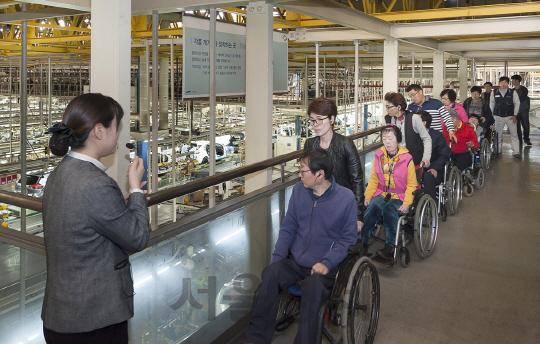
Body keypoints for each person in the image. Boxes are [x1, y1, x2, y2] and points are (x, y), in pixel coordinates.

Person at [42, 93, 150, 344]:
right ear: (99, 131)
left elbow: (82, 219)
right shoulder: (96, 184)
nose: (117, 135)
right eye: (116, 127)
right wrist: (135, 190)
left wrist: (116, 207)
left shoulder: (59, 173)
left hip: (61, 315)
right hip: (93, 322)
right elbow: (137, 238)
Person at [244, 148, 357, 344]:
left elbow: (347, 240)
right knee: (270, 274)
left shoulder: (345, 199)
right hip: (296, 262)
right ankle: (256, 339)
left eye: (303, 171)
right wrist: (277, 260)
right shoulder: (298, 191)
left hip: (324, 267)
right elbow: (288, 228)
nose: (299, 175)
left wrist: (327, 263)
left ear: (319, 174)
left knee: (313, 288)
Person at [304, 97, 365, 231]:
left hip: (341, 206)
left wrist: (358, 215)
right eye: (312, 120)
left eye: (320, 119)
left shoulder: (345, 144)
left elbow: (357, 180)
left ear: (331, 119)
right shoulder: (309, 144)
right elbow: (306, 178)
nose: (315, 124)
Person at [359, 125, 417, 261]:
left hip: (400, 196)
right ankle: (362, 242)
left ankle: (390, 247)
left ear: (398, 139)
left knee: (389, 209)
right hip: (382, 193)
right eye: (384, 138)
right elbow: (373, 179)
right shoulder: (379, 156)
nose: (387, 141)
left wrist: (407, 203)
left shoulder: (407, 158)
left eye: (390, 138)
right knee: (372, 206)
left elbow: (411, 184)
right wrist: (368, 196)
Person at [384, 92, 432, 167]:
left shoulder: (414, 118)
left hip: (412, 162)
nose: (387, 110)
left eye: (389, 107)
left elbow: (426, 138)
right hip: (394, 162)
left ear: (399, 107)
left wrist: (426, 158)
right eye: (386, 107)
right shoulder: (389, 119)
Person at [418, 111, 451, 202]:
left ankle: (431, 205)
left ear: (424, 123)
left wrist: (434, 167)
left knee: (429, 176)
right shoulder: (413, 136)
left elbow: (444, 155)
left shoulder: (437, 136)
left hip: (433, 167)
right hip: (416, 168)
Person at [490, 76, 521, 158]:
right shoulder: (494, 92)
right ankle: (497, 150)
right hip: (498, 117)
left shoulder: (512, 92)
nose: (503, 84)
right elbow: (492, 103)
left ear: (508, 84)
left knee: (514, 134)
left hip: (510, 117)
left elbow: (517, 103)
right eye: (502, 82)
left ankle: (516, 152)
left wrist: (515, 115)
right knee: (498, 134)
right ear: (499, 83)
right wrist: (492, 113)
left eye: (505, 82)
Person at [511, 74, 532, 146]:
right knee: (517, 127)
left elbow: (521, 99)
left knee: (525, 126)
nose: (512, 82)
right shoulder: (512, 90)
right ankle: (519, 140)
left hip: (523, 110)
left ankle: (526, 139)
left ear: (517, 81)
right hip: (515, 112)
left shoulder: (524, 89)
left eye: (513, 80)